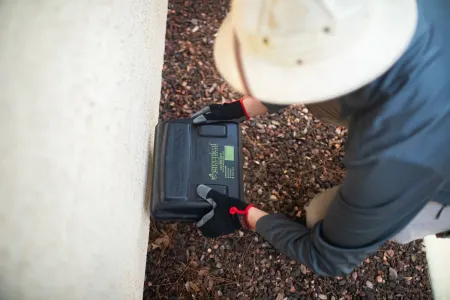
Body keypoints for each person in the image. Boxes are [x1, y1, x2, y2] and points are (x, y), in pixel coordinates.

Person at [191, 0, 450, 276]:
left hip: (437, 176)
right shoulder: (370, 12)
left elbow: (330, 258)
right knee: (323, 105)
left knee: (319, 216)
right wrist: (245, 107)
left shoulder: (394, 156)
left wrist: (242, 214)